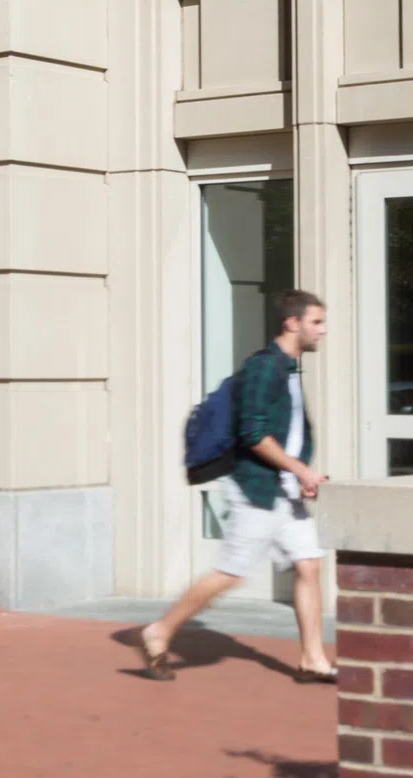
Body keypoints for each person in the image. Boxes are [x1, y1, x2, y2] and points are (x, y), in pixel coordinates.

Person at [137, 290, 338, 684]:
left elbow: (286, 432)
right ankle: (159, 631)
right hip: (258, 490)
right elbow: (254, 434)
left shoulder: (288, 369)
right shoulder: (263, 369)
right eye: (316, 322)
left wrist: (300, 474)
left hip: (284, 490)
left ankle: (313, 658)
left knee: (308, 564)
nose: (323, 330)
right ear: (291, 323)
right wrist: (300, 470)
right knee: (232, 570)